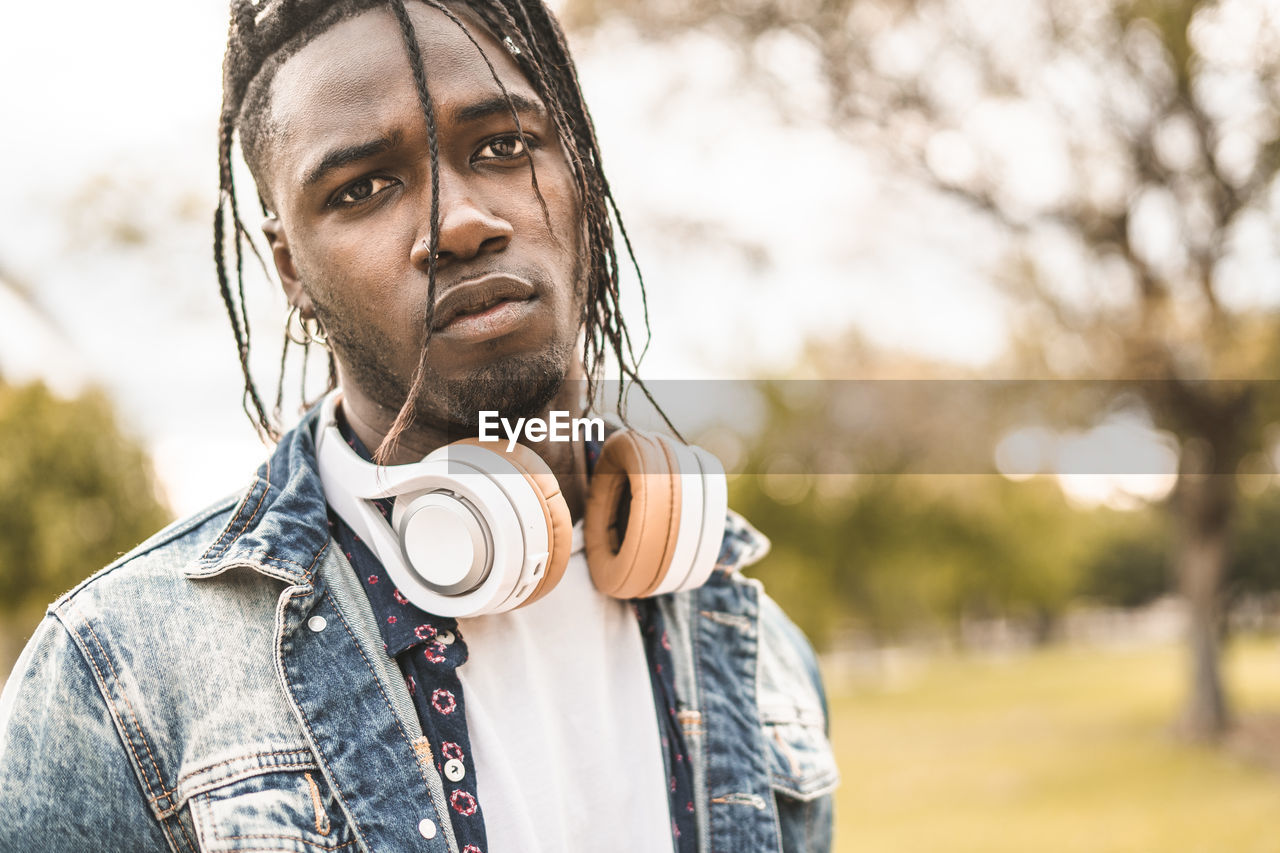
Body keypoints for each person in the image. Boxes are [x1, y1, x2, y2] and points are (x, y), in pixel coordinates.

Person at [0, 1, 837, 851]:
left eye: (503, 147)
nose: (460, 223)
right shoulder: (118, 676)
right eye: (362, 188)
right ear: (289, 264)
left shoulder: (756, 650)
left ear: (580, 171)